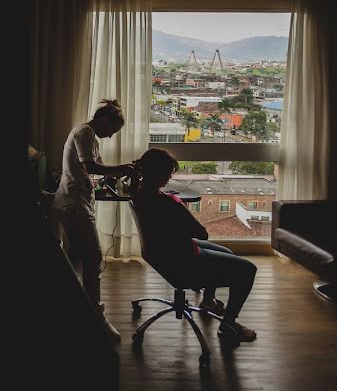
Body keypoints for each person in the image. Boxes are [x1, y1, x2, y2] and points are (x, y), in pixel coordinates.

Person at [129, 148, 258, 343]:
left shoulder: (138, 193)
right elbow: (201, 233)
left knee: (227, 253)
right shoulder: (169, 203)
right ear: (158, 173)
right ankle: (228, 324)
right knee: (248, 269)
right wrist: (180, 208)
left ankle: (208, 301)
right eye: (168, 173)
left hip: (161, 253)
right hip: (184, 260)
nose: (169, 177)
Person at [51, 98, 138, 342]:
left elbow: (91, 168)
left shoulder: (86, 134)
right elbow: (90, 166)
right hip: (73, 205)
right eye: (112, 130)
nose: (110, 136)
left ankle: (75, 309)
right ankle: (95, 317)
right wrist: (121, 168)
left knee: (76, 258)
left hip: (75, 202)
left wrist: (117, 170)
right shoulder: (85, 132)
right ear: (104, 119)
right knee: (93, 258)